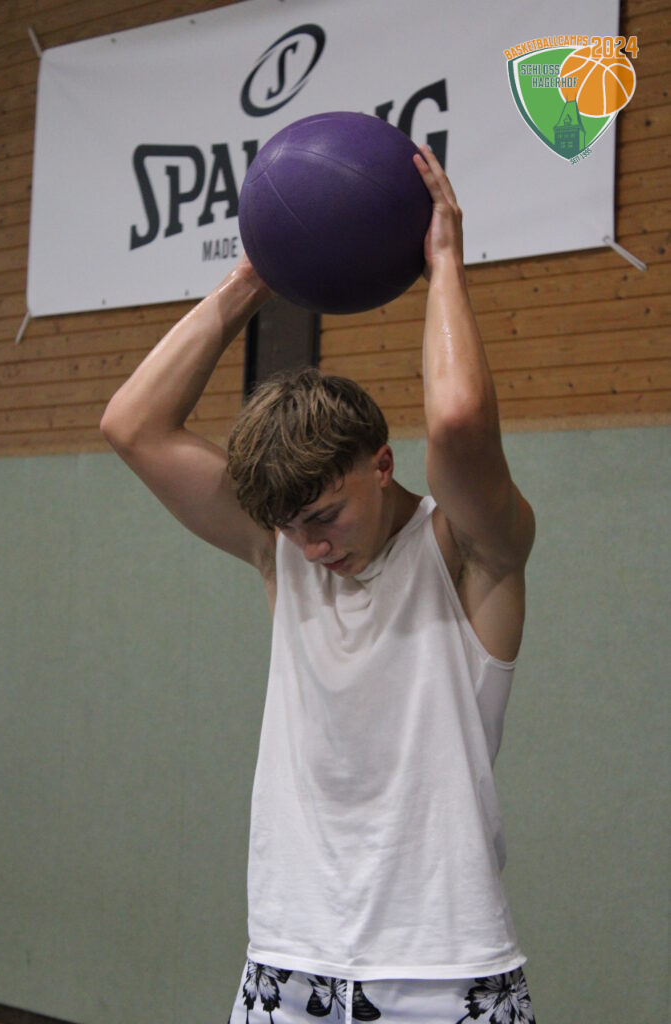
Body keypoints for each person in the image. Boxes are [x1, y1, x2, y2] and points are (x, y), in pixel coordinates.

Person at [100, 146, 536, 1024]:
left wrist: (443, 263)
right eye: (289, 527)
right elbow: (131, 425)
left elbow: (456, 420)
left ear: (380, 463)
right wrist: (252, 278)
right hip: (285, 963)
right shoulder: (286, 553)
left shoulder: (469, 554)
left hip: (441, 974)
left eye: (325, 515)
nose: (308, 547)